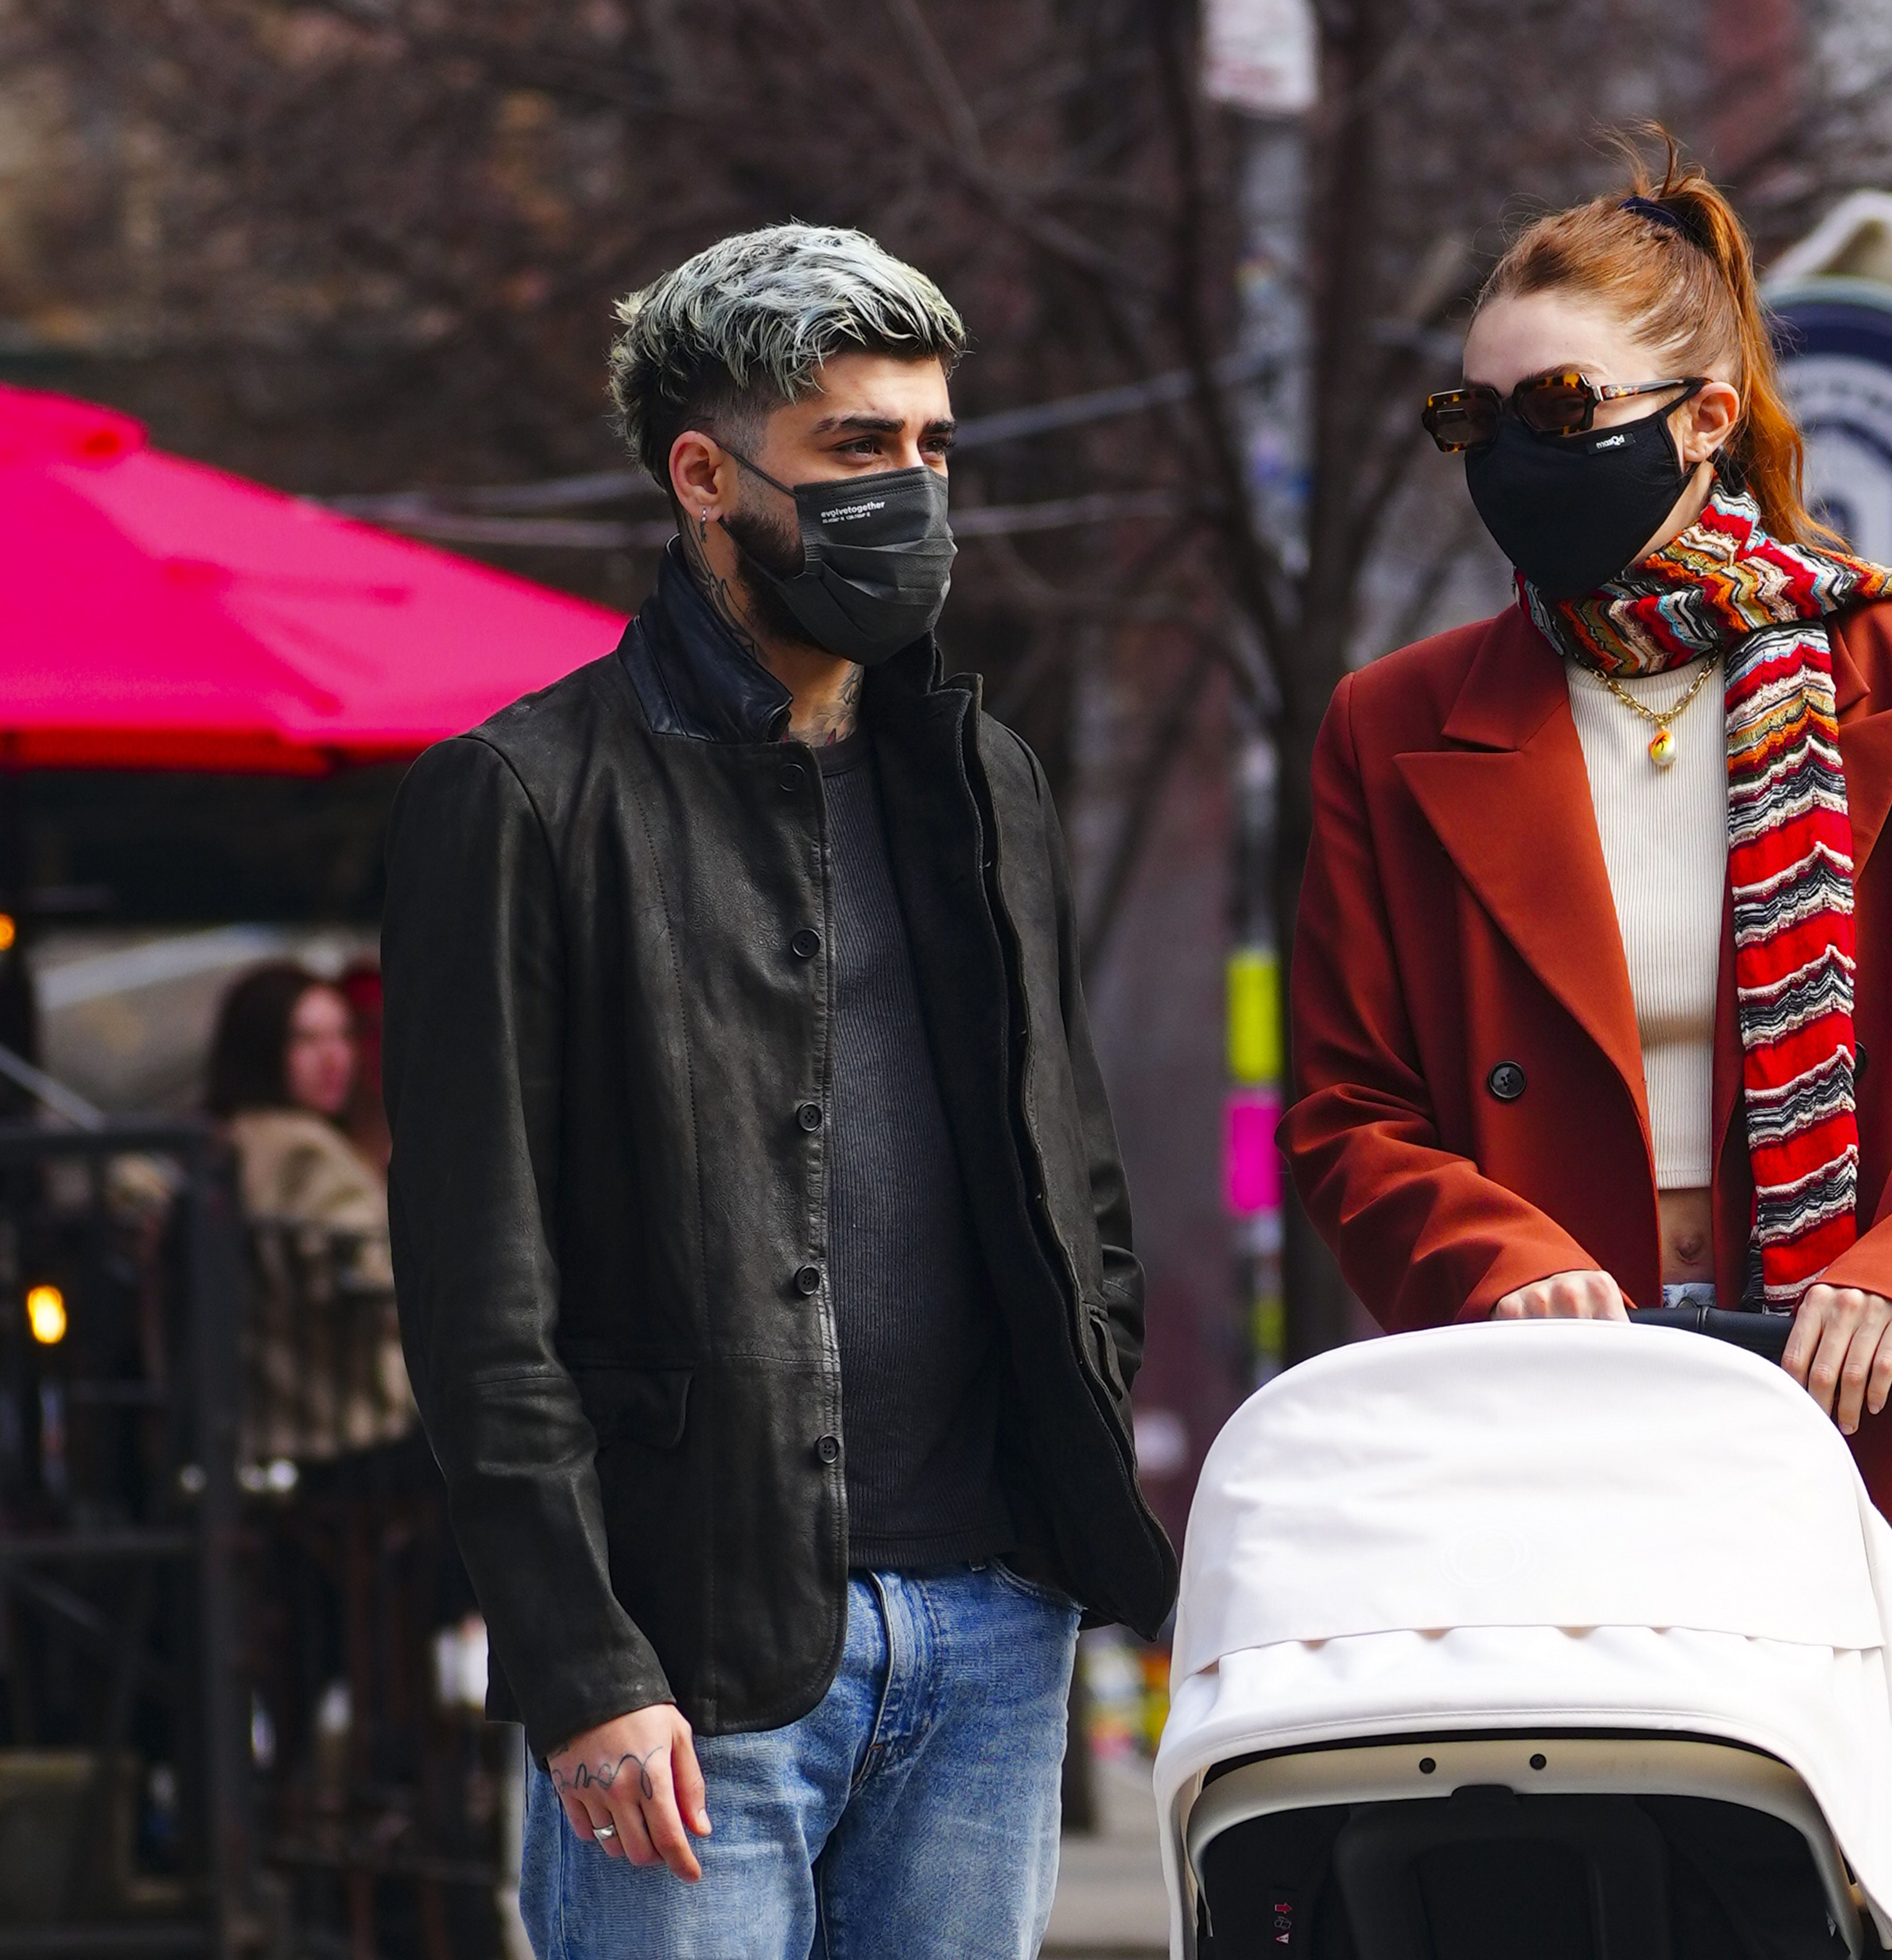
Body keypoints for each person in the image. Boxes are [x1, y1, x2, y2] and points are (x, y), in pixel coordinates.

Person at [1280, 139, 1892, 1838]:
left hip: (1852, 1418)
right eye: (1478, 422)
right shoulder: (1394, 721)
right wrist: (1498, 1261)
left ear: (1710, 416)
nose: (1515, 459)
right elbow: (1347, 1112)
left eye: (1561, 410)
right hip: (1534, 1438)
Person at [381, 224, 1174, 1960]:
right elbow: (475, 1291)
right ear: (703, 475)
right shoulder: (520, 801)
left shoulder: (985, 784)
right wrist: (583, 1666)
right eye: (855, 449)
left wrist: (1070, 1481)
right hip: (688, 1660)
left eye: (933, 446)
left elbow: (1069, 1171)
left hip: (991, 1630)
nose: (913, 493)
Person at [206, 960, 412, 1465]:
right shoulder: (302, 1151)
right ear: (261, 1049)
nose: (334, 1058)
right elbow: (377, 1281)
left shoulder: (233, 1140)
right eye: (306, 1041)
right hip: (346, 1430)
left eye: (343, 1036)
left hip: (273, 1427)